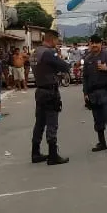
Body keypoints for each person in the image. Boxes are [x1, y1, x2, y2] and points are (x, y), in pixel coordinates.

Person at [30, 29, 72, 165]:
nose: (58, 42)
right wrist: (65, 62)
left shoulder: (36, 52)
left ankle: (35, 153)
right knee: (52, 122)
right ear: (52, 39)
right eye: (57, 40)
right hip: (50, 92)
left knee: (39, 123)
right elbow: (64, 66)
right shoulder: (48, 53)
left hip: (40, 91)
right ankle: (53, 155)